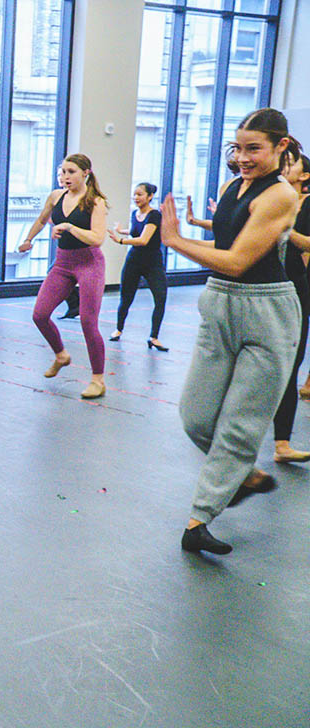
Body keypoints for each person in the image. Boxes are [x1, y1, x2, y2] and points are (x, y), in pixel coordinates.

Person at [159, 108, 299, 555]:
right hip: (219, 304)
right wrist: (181, 237)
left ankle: (198, 521)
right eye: (237, 148)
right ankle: (242, 477)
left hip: (266, 313)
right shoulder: (233, 186)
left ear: (281, 147)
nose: (242, 158)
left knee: (240, 426)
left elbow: (240, 261)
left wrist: (175, 241)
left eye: (253, 149)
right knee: (196, 416)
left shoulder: (280, 196)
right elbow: (223, 251)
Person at [18, 154, 109, 399]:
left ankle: (98, 380)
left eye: (71, 172)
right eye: (63, 172)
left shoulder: (95, 202)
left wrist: (69, 227)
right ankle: (61, 354)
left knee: (88, 323)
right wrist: (28, 239)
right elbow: (41, 219)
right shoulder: (56, 196)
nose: (65, 177)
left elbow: (97, 238)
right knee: (40, 314)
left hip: (89, 263)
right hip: (64, 262)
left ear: (85, 173)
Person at [269, 139, 310, 462]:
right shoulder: (272, 197)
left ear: (304, 174)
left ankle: (282, 443)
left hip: (297, 289)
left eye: (291, 162)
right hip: (266, 288)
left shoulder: (306, 205)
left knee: (291, 365)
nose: (285, 166)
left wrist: (287, 229)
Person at [108, 183, 167, 350]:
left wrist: (121, 241)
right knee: (126, 298)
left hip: (152, 262)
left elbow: (143, 239)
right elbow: (136, 231)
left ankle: (154, 337)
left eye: (140, 194)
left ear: (150, 197)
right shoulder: (135, 214)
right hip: (134, 261)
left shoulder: (155, 215)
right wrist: (122, 231)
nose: (136, 197)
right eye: (134, 194)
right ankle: (118, 330)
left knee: (160, 298)